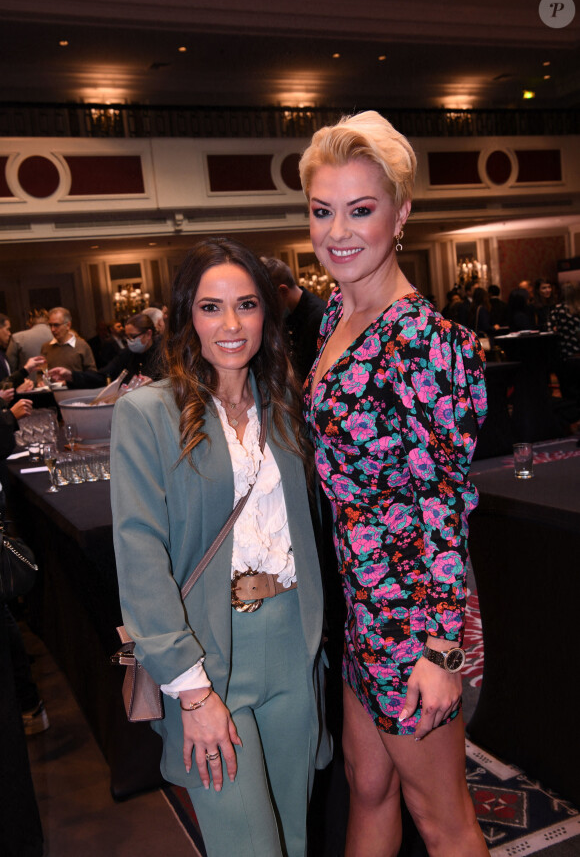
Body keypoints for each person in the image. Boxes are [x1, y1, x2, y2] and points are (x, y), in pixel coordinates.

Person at [299, 111, 489, 857]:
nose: (337, 230)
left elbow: (445, 505)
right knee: (366, 784)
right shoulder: (339, 318)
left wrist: (443, 650)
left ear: (401, 214)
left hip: (412, 617)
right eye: (322, 210)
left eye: (361, 209)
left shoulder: (425, 341)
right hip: (359, 604)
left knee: (442, 820)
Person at [111, 237, 331, 857]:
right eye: (211, 307)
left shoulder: (286, 405)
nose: (231, 324)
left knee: (292, 836)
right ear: (186, 318)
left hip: (294, 644)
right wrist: (193, 692)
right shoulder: (149, 413)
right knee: (249, 846)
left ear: (269, 313)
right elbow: (140, 555)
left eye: (247, 305)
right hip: (206, 656)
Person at [49, 312, 163, 389]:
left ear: (148, 334)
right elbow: (102, 376)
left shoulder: (162, 355)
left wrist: (154, 385)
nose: (130, 341)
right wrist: (71, 375)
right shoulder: (127, 354)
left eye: (133, 337)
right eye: (127, 337)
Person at [261, 256, 326, 384]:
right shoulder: (292, 314)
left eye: (267, 300)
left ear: (283, 291)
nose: (266, 307)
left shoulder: (318, 318)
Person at [40, 307, 96, 373]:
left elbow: (92, 374)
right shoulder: (46, 347)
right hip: (52, 383)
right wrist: (40, 381)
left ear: (68, 325)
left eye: (56, 325)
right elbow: (41, 372)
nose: (53, 329)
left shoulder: (82, 346)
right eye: (50, 325)